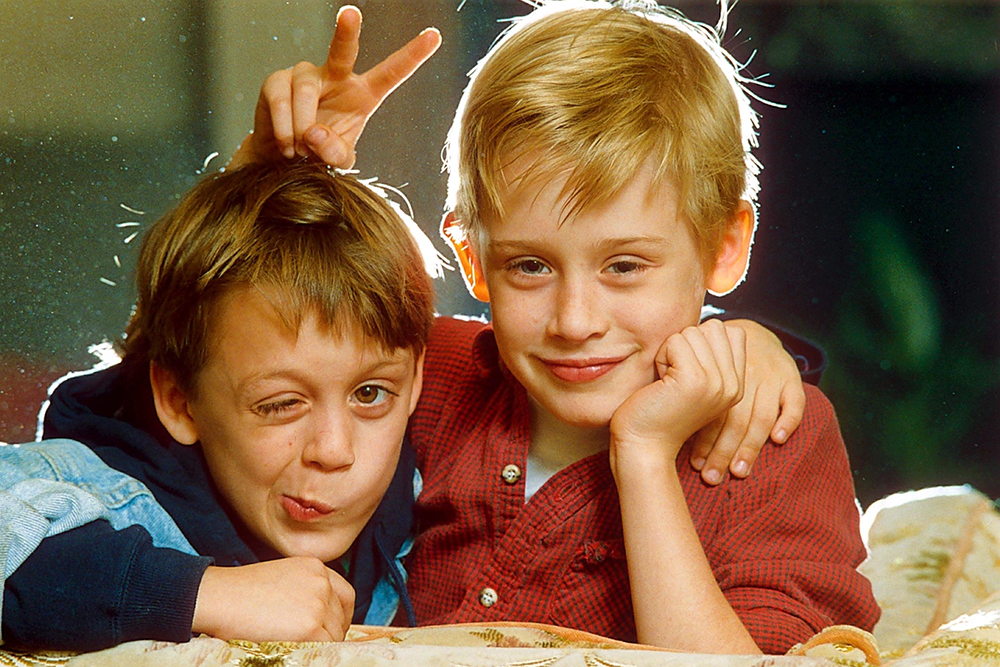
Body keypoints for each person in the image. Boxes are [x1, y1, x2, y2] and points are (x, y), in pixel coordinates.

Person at [236, 0, 879, 655]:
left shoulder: (771, 443)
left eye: (624, 265)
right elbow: (197, 373)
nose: (575, 321)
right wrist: (255, 178)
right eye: (531, 266)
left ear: (725, 245)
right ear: (473, 258)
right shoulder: (435, 371)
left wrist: (647, 456)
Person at [1, 162, 438, 650]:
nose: (334, 451)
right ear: (180, 402)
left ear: (415, 378)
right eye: (281, 404)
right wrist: (199, 595)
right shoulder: (91, 489)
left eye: (370, 393)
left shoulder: (415, 500)